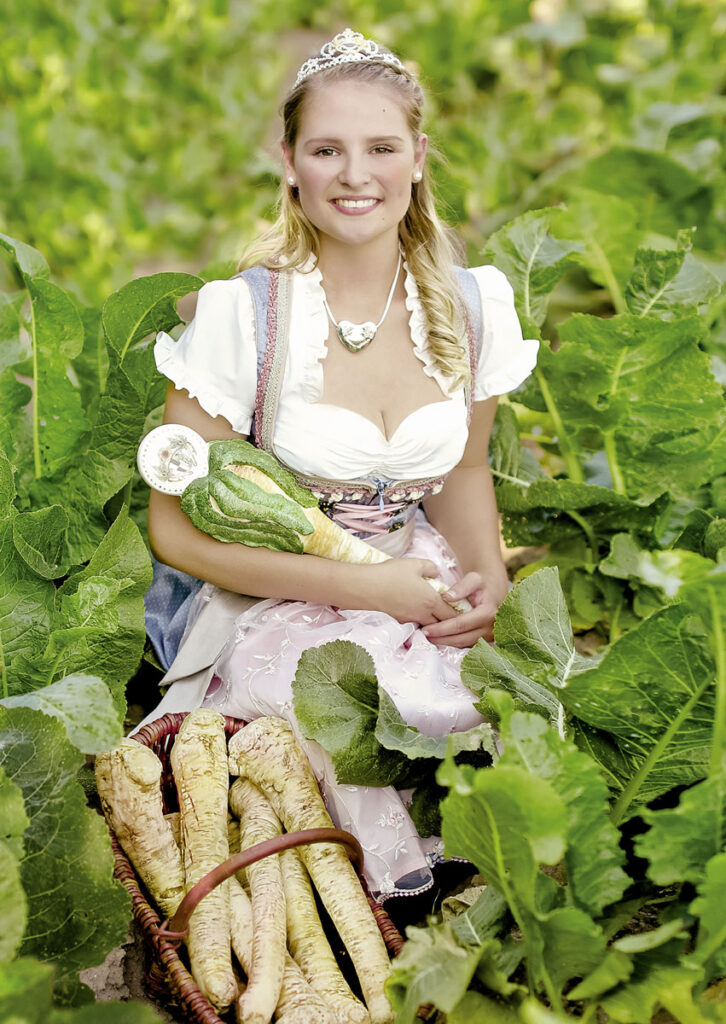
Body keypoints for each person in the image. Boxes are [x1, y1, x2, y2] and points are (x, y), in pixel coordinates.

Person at [143, 28, 538, 899]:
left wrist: (487, 582)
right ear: (289, 161)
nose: (356, 175)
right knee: (344, 704)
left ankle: (487, 849)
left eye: (381, 148)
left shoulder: (474, 309)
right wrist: (367, 588)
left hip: (413, 564)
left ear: (418, 157)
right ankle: (403, 883)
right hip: (266, 594)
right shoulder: (242, 319)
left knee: (493, 689)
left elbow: (465, 473)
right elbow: (172, 531)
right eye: (327, 149)